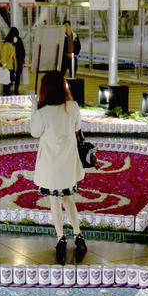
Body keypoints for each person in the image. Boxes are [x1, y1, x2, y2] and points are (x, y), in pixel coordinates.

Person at [30, 70, 87, 264]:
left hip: (50, 164)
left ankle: (60, 238)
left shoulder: (43, 112)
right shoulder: (72, 107)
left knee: (54, 201)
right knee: (69, 199)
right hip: (67, 162)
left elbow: (34, 132)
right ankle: (78, 236)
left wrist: (33, 109)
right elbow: (77, 127)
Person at [0, 28, 21, 96]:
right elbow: (4, 57)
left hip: (11, 68)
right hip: (7, 68)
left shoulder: (12, 46)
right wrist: (4, 67)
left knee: (9, 84)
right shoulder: (6, 45)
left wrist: (15, 69)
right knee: (6, 86)